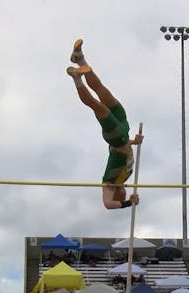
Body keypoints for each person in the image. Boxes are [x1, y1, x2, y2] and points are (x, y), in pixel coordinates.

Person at [67, 39, 144, 210]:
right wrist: (135, 142)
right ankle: (79, 60)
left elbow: (108, 205)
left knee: (97, 106)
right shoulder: (126, 176)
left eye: (122, 195)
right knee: (103, 92)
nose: (124, 193)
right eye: (124, 195)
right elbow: (126, 147)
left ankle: (77, 78)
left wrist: (128, 203)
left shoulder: (109, 184)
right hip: (124, 128)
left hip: (116, 137)